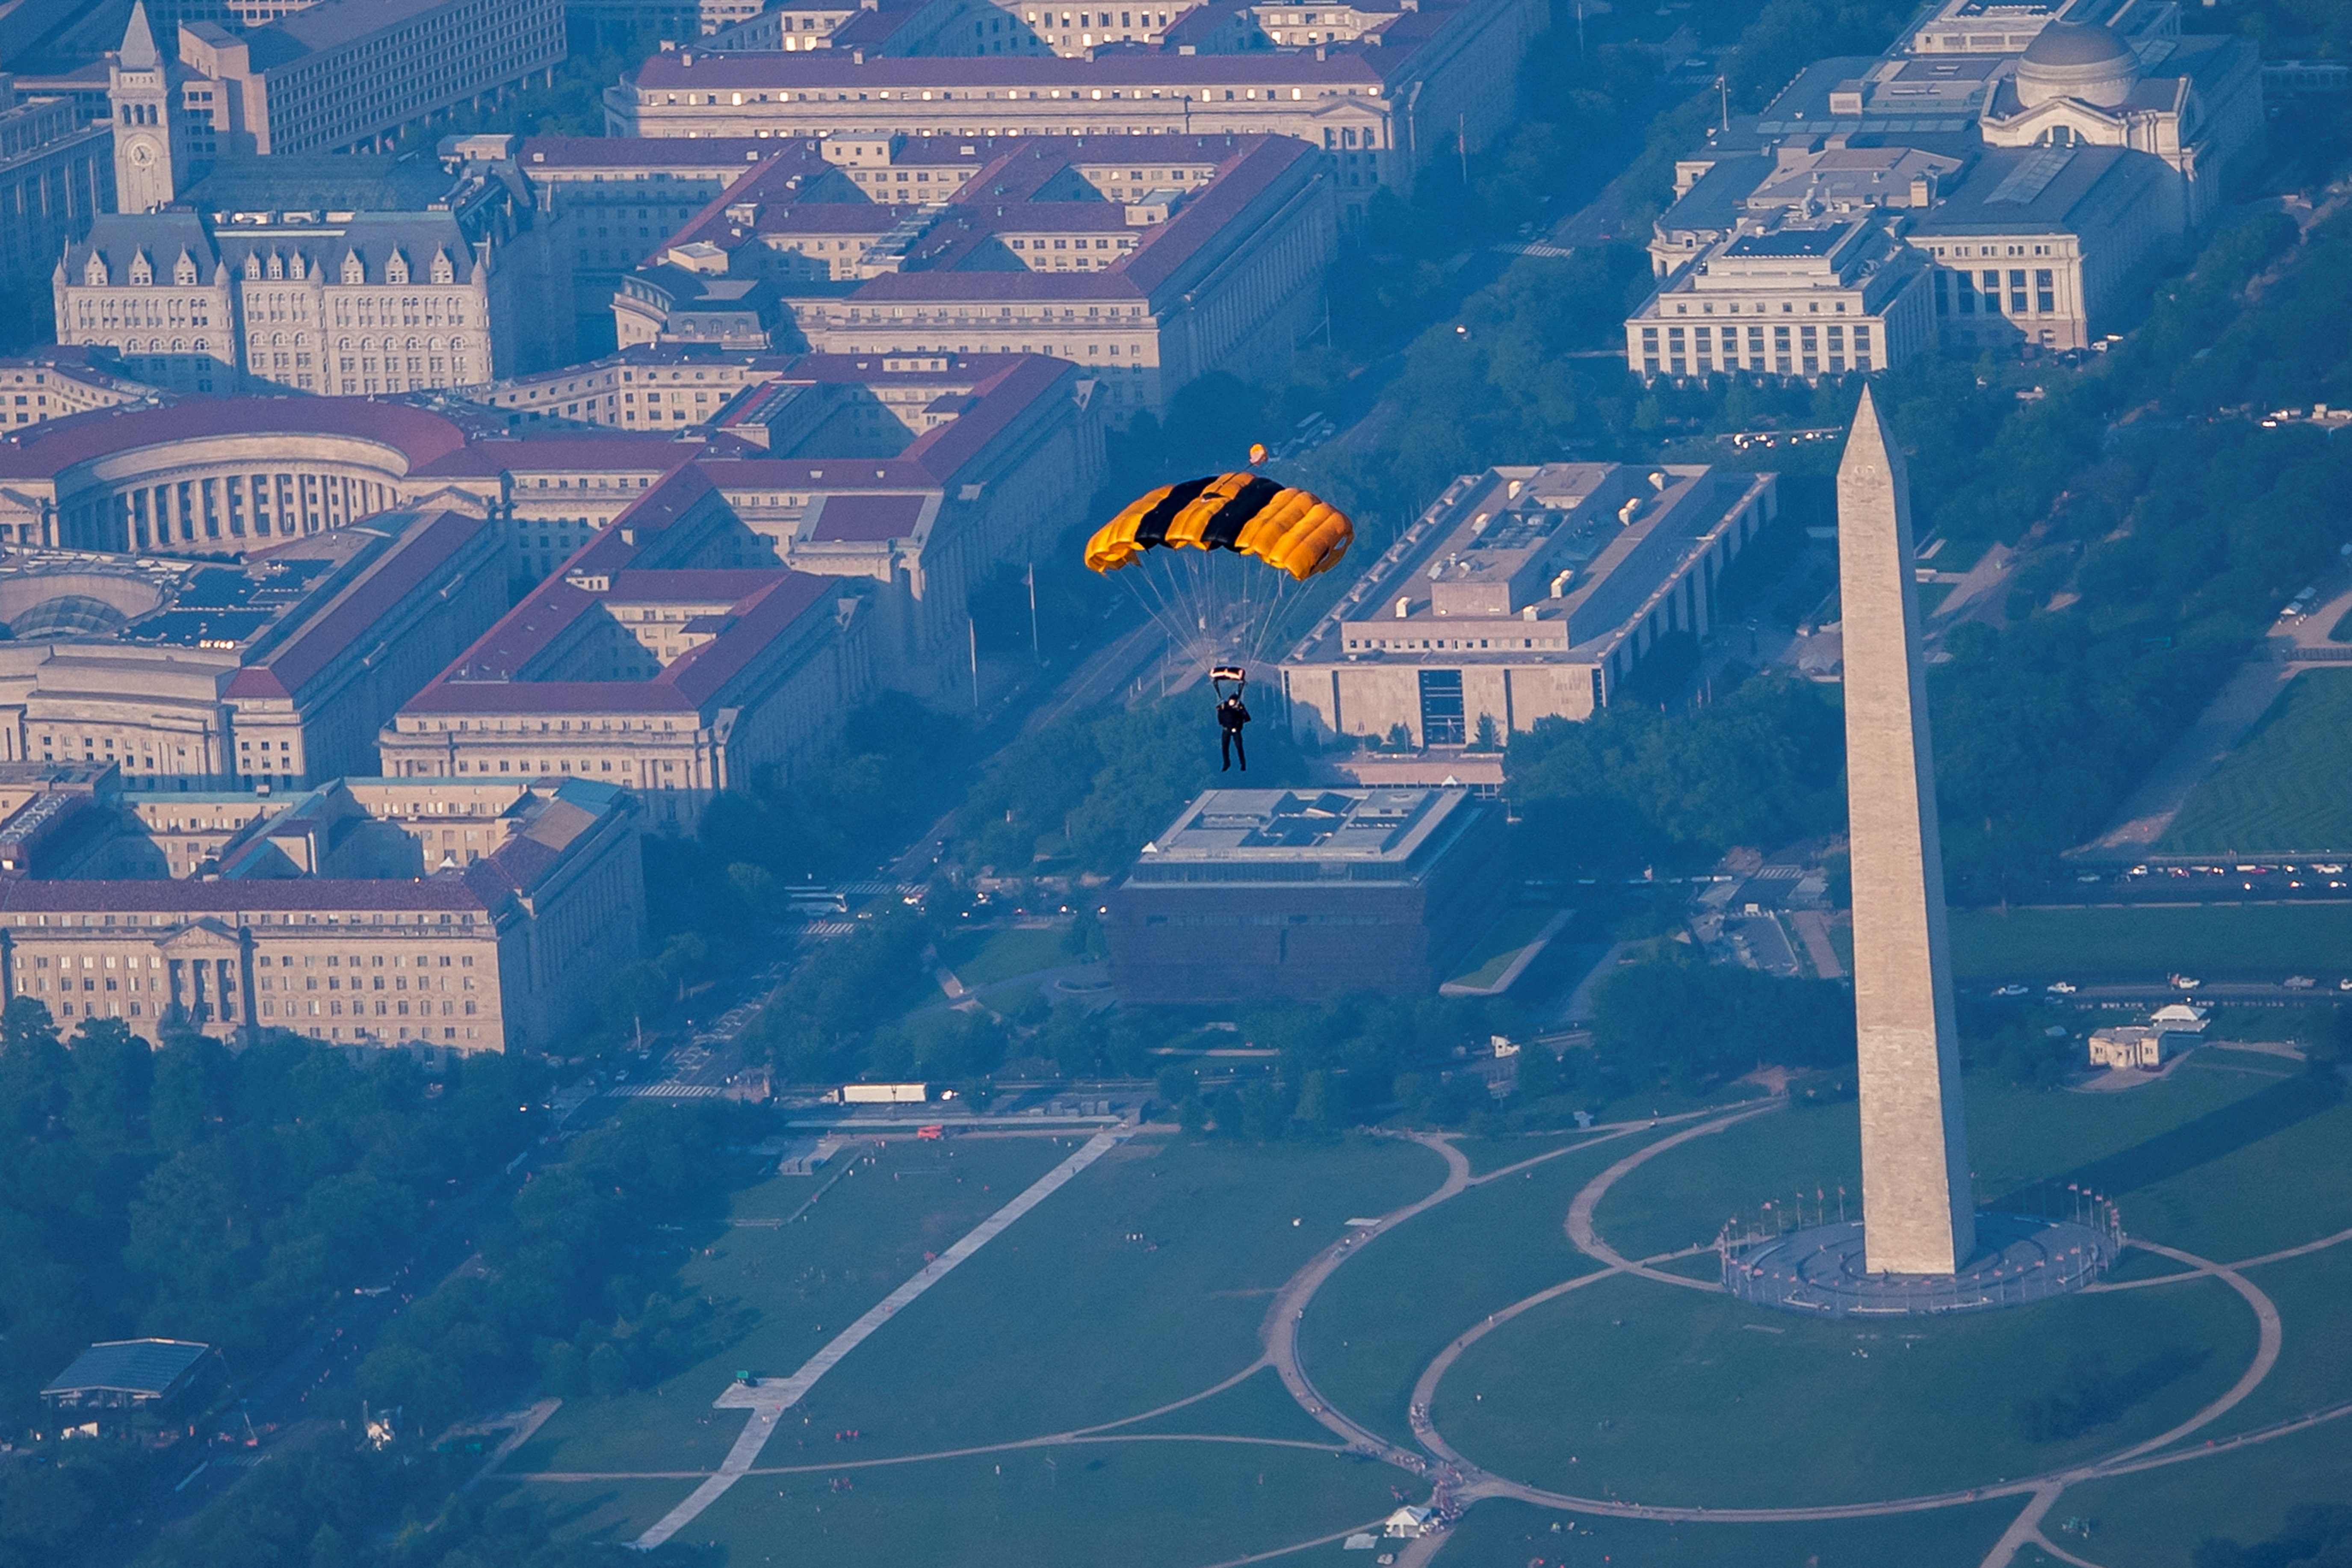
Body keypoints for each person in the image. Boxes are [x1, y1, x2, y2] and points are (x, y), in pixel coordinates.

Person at [1217, 688, 1251, 771]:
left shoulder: (1239, 709)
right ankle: (1226, 763)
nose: (1232, 703)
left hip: (1235, 730)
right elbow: (1220, 718)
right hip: (1226, 730)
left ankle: (1243, 764)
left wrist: (1242, 710)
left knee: (1239, 747)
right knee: (1225, 747)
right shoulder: (1223, 707)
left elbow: (1247, 718)